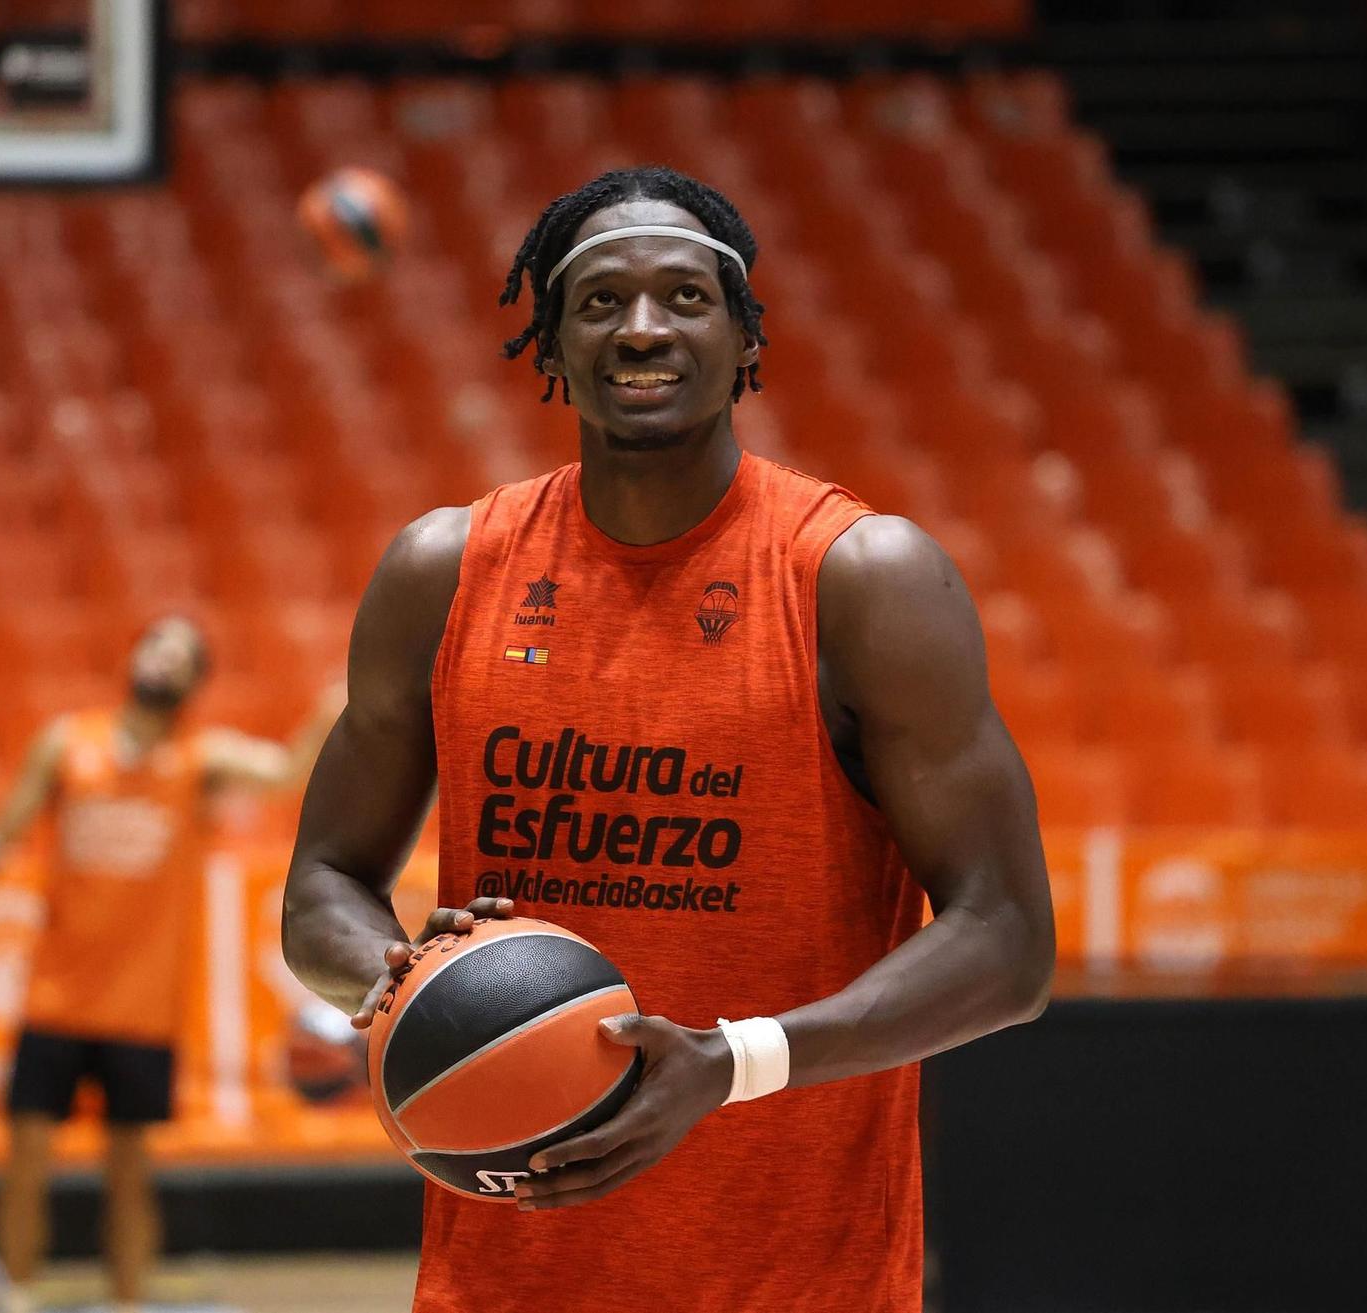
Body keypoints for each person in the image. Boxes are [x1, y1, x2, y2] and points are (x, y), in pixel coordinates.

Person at [281, 166, 1057, 1312]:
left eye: (685, 297)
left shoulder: (861, 580)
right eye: (598, 302)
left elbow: (1006, 939)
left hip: (798, 1282)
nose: (641, 328)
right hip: (502, 1281)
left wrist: (734, 1062)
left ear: (746, 337)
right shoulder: (443, 572)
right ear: (547, 345)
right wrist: (403, 979)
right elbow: (321, 887)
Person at [0, 615, 340, 1313]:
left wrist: (333, 706)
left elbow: (283, 774)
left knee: (130, 1171)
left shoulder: (200, 760)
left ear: (194, 681)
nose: (164, 659)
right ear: (132, 658)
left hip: (141, 1006)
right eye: (156, 644)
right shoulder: (68, 744)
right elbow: (2, 831)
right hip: (55, 996)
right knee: (25, 1160)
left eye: (182, 654)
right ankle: (15, 1295)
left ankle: (127, 1302)